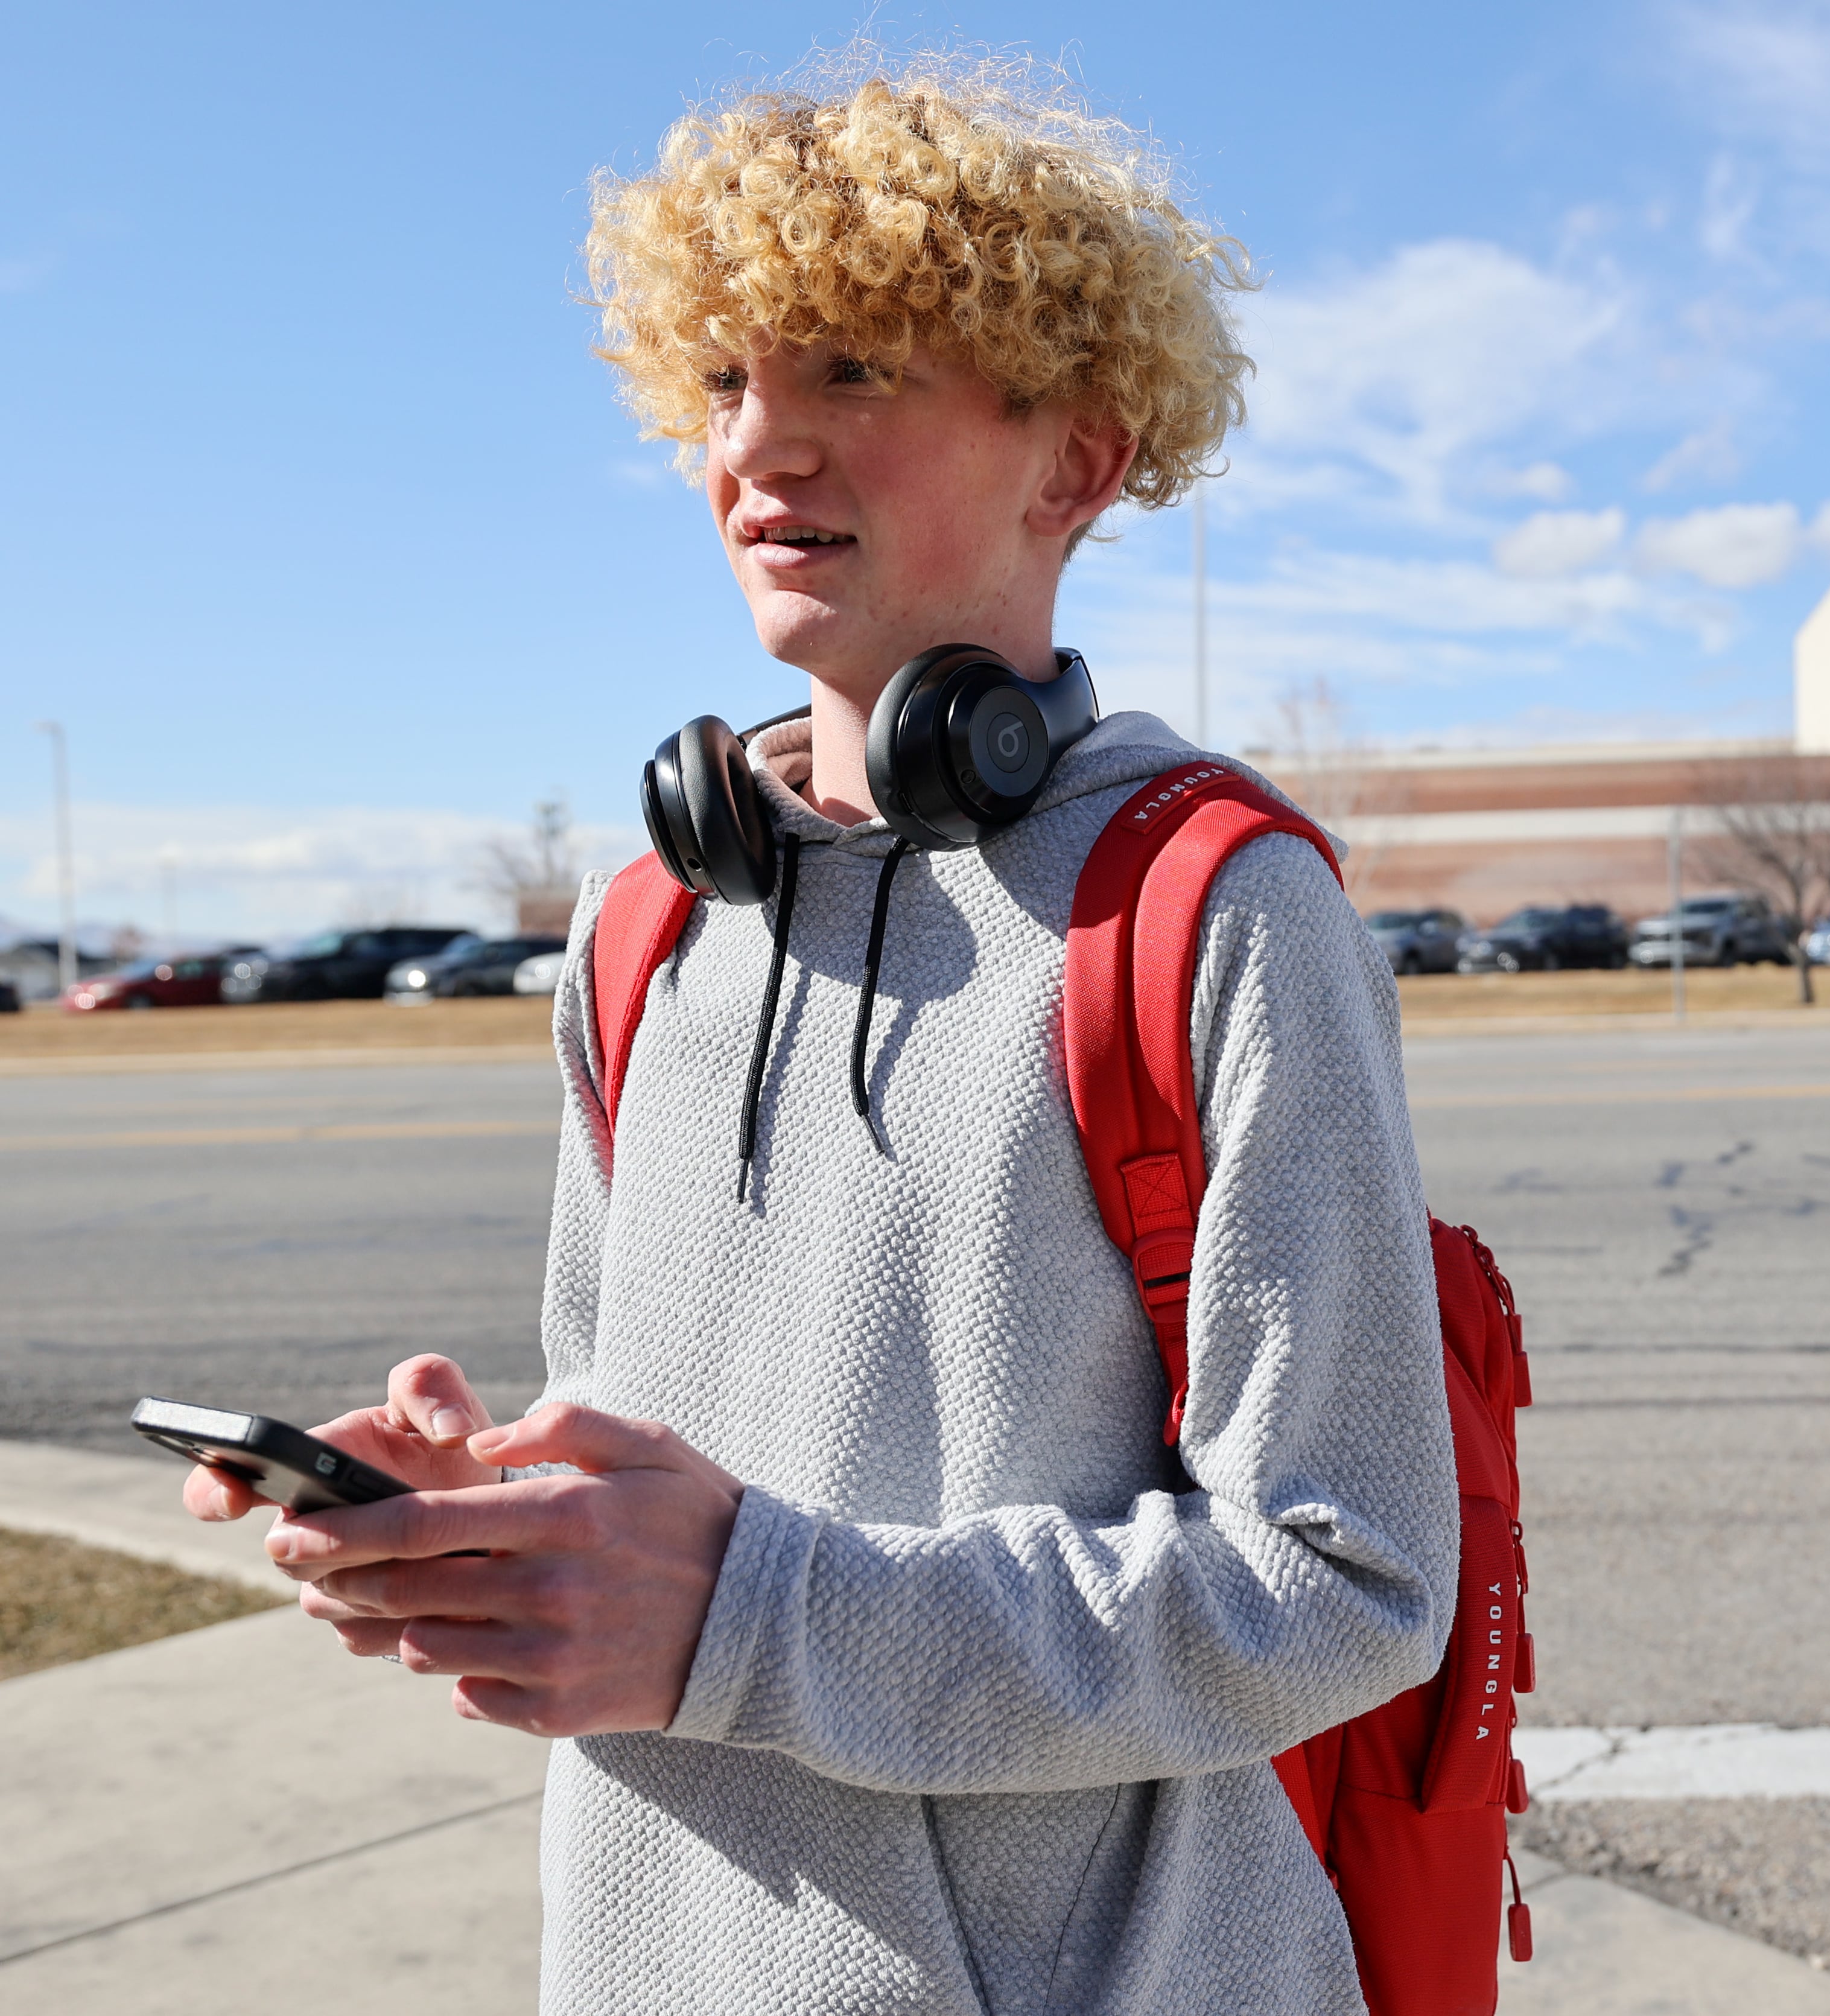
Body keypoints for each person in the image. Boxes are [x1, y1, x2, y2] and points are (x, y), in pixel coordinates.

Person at [185, 59, 1458, 2015]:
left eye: (857, 369)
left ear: (1079, 462)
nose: (759, 448)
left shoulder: (1212, 909)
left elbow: (1343, 1575)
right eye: (724, 387)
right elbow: (677, 1473)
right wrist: (492, 1520)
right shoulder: (642, 931)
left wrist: (752, 1615)